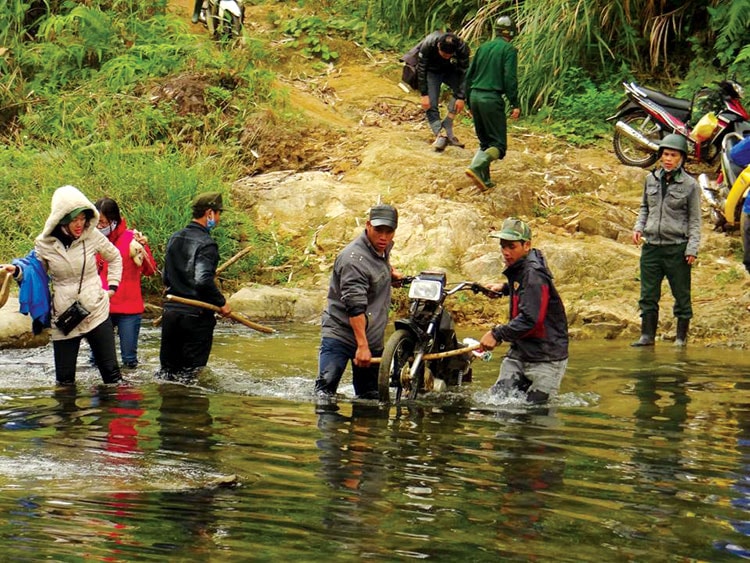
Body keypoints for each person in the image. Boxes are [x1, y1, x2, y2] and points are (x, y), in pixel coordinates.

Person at [1, 185, 123, 386]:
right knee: (64, 382)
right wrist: (16, 271)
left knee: (111, 376)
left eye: (83, 218)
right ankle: (67, 416)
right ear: (61, 219)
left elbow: (115, 257)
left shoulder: (92, 235)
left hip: (95, 308)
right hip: (65, 314)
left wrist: (112, 287)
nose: (79, 224)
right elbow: (35, 273)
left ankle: (110, 415)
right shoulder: (45, 243)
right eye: (74, 219)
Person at [314, 204, 404, 401]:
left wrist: (389, 273)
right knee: (325, 395)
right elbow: (354, 308)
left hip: (372, 335)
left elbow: (378, 262)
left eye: (389, 232)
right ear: (368, 226)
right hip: (340, 333)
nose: (384, 237)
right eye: (379, 230)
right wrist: (362, 346)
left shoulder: (382, 247)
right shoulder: (352, 260)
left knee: (370, 397)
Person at [478, 217, 568, 404]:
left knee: (536, 418)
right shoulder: (522, 268)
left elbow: (530, 319)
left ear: (526, 245)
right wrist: (504, 288)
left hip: (546, 358)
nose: (506, 252)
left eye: (512, 247)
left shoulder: (533, 274)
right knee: (498, 404)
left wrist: (496, 334)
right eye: (503, 246)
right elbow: (527, 292)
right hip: (520, 353)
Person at [632, 134, 701, 347]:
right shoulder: (650, 179)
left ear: (681, 158)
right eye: (665, 154)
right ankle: (647, 336)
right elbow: (645, 207)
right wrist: (638, 227)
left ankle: (681, 338)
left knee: (681, 294)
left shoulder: (690, 185)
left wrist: (692, 248)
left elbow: (695, 220)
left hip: (677, 248)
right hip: (651, 247)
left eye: (673, 155)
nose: (668, 159)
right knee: (648, 293)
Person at [159, 192, 231, 379]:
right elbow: (203, 280)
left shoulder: (175, 237)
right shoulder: (207, 244)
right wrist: (221, 302)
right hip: (195, 317)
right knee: (191, 375)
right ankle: (192, 407)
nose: (219, 218)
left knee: (168, 373)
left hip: (171, 313)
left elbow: (165, 276)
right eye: (218, 214)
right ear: (209, 213)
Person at [95, 198, 157, 369]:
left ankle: (127, 393)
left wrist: (143, 249)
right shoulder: (93, 240)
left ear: (113, 220)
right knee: (96, 360)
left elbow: (150, 270)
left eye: (102, 221)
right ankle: (100, 393)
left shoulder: (132, 239)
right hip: (102, 306)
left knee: (129, 360)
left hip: (129, 309)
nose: (99, 226)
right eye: (96, 221)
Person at [464, 15, 520, 190]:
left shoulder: (483, 47)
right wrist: (515, 103)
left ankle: (484, 179)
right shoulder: (508, 50)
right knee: (498, 145)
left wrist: (467, 101)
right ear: (511, 33)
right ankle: (476, 166)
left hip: (474, 96)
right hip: (491, 99)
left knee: (485, 142)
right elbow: (509, 78)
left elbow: (469, 76)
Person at [415, 31, 470, 151]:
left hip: (449, 70)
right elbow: (421, 69)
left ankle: (448, 123)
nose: (447, 56)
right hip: (431, 71)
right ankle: (440, 134)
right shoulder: (429, 44)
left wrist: (461, 97)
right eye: (444, 54)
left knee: (467, 87)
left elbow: (465, 74)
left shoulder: (462, 48)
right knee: (431, 102)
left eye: (450, 55)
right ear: (438, 46)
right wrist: (424, 94)